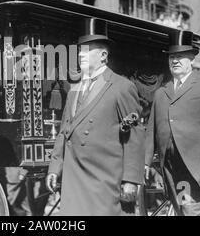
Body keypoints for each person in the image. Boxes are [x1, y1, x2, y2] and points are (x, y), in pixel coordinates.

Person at [45, 18, 145, 215]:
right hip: (74, 178)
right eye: (80, 49)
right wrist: (55, 167)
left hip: (104, 180)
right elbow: (64, 132)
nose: (80, 54)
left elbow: (134, 136)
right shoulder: (74, 89)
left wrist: (131, 180)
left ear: (103, 55)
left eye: (87, 50)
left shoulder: (121, 87)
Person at [145, 29, 200, 216]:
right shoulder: (161, 93)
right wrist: (146, 162)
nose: (175, 61)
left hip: (196, 168)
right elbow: (151, 130)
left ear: (192, 59)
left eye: (180, 56)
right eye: (172, 57)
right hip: (171, 168)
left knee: (191, 209)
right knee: (181, 210)